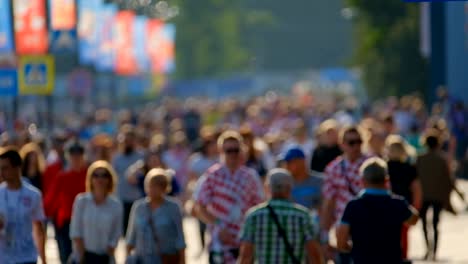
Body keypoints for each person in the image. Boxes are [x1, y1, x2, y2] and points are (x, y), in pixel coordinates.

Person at [193, 130, 264, 264]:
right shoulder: (212, 176)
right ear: (221, 151)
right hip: (219, 244)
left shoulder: (250, 176)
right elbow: (199, 207)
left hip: (245, 242)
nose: (233, 154)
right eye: (228, 150)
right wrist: (218, 225)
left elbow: (259, 206)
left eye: (236, 150)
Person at [336, 157, 419, 264]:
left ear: (362, 180)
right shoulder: (397, 204)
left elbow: (341, 241)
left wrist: (354, 249)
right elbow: (414, 219)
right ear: (386, 180)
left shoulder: (353, 206)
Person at [239, 168, 323, 264]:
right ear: (289, 189)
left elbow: (246, 255)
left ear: (267, 188)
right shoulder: (303, 216)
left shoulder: (253, 215)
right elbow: (314, 255)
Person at [321, 126, 369, 264]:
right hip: (343, 229)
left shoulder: (371, 164)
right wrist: (325, 235)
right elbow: (328, 203)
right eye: (351, 142)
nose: (356, 146)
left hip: (368, 228)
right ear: (342, 144)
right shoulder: (333, 168)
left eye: (359, 142)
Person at [126, 168, 186, 264]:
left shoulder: (173, 207)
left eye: (158, 186)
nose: (153, 189)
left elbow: (180, 238)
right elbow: (131, 237)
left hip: (165, 259)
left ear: (165, 188)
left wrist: (183, 260)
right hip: (142, 259)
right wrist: (128, 257)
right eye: (151, 185)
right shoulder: (139, 207)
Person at [69, 160, 123, 264]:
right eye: (96, 175)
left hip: (105, 258)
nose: (100, 179)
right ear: (90, 178)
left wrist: (106, 255)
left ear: (110, 179)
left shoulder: (116, 205)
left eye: (104, 175)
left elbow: (116, 233)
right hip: (82, 257)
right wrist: (82, 256)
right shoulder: (81, 201)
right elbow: (76, 231)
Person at [0, 147, 47, 264]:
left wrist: (44, 258)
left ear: (17, 168)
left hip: (27, 257)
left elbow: (39, 228)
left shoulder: (34, 195)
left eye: (5, 168)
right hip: (4, 257)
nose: (1, 173)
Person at [45, 141, 88, 264]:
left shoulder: (90, 175)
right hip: (65, 223)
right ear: (68, 158)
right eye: (73, 157)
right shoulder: (62, 177)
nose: (76, 160)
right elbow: (51, 198)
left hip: (86, 222)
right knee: (66, 257)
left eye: (78, 156)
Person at [416, 131, 453, 261]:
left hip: (424, 195)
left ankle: (428, 249)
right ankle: (434, 252)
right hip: (437, 195)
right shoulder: (442, 159)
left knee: (425, 224)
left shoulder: (419, 158)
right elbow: (448, 179)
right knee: (436, 224)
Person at [385, 135, 422, 259]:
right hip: (405, 205)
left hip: (388, 205)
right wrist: (416, 207)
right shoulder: (409, 167)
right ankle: (403, 258)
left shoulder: (385, 167)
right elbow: (417, 188)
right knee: (403, 234)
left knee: (389, 235)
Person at [187, 135, 219, 253]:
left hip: (216, 197)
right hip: (200, 194)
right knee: (201, 221)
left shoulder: (218, 159)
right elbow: (191, 178)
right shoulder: (197, 160)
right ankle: (202, 245)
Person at [112, 125, 144, 234]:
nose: (128, 142)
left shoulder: (141, 156)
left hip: (138, 199)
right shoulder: (116, 158)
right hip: (122, 199)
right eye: (125, 140)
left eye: (130, 140)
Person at [280, 147, 323, 212]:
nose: (286, 166)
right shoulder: (284, 184)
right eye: (285, 163)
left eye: (290, 162)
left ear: (302, 161)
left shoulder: (320, 181)